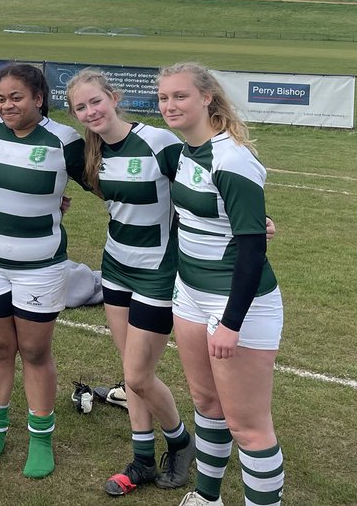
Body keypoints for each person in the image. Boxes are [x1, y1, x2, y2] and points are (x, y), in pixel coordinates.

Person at [157, 63, 284, 506]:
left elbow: (252, 251)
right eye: (163, 98)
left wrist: (231, 323)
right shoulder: (186, 151)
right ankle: (207, 498)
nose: (170, 105)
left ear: (207, 98)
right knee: (206, 403)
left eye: (180, 96)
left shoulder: (231, 158)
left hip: (236, 305)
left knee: (249, 426)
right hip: (189, 295)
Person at [65, 70, 194, 495]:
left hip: (158, 270)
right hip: (115, 267)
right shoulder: (91, 152)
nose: (90, 112)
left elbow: (204, 183)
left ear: (114, 97)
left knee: (138, 376)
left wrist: (252, 219)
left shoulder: (159, 143)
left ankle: (178, 442)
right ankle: (140, 461)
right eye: (81, 108)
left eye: (96, 102)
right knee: (130, 370)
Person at [0, 63, 87, 479]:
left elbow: (106, 184)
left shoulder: (65, 141)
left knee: (35, 352)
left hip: (40, 266)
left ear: (38, 98)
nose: (6, 105)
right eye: (1, 98)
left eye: (16, 97)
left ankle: (40, 439)